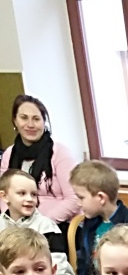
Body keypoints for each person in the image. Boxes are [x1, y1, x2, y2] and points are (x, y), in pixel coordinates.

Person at [69, 159, 128, 275]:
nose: (78, 203)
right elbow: (83, 265)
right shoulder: (90, 223)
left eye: (81, 198)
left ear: (101, 198)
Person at [0, 95, 80, 225]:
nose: (30, 124)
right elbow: (3, 195)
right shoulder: (9, 154)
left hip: (56, 225)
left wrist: (41, 224)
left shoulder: (60, 152)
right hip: (18, 226)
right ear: (15, 121)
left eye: (36, 119)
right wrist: (12, 220)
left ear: (44, 122)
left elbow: (74, 198)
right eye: (24, 118)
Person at [0, 168, 76, 275]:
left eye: (34, 194)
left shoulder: (47, 227)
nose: (30, 199)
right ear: (4, 196)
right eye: (22, 193)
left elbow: (59, 271)